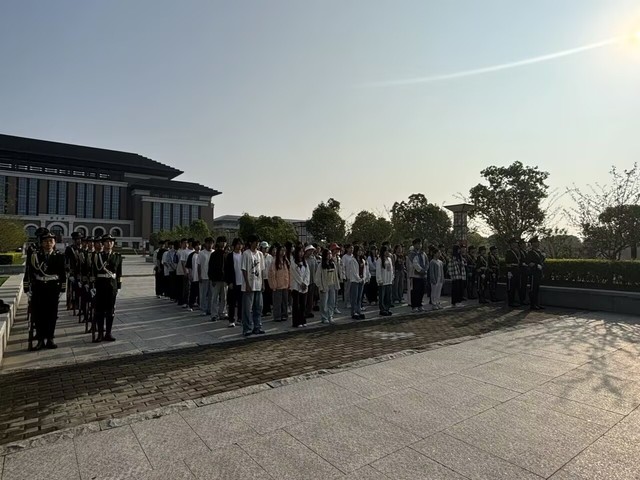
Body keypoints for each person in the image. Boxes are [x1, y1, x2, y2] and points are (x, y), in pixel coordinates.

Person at [29, 231, 66, 350]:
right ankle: (40, 340)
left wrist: (62, 289)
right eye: (45, 241)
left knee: (52, 314)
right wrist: (27, 289)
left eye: (51, 241)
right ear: (41, 243)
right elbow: (29, 272)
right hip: (39, 288)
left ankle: (50, 338)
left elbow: (62, 274)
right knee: (39, 314)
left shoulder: (59, 256)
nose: (48, 243)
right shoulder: (35, 256)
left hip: (53, 288)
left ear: (54, 243)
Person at [91, 234, 123, 343]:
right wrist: (92, 286)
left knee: (110, 311)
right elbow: (93, 272)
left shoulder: (117, 256)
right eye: (106, 242)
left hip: (111, 286)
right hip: (100, 285)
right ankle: (100, 333)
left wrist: (119, 286)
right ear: (103, 243)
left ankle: (108, 333)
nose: (109, 244)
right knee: (99, 311)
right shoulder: (97, 256)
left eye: (111, 242)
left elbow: (119, 273)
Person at [241, 234, 265, 337]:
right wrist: (247, 283)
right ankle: (247, 328)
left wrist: (263, 283)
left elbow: (262, 269)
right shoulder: (246, 253)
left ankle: (257, 326)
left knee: (258, 307)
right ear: (251, 243)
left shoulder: (260, 254)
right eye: (255, 242)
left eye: (258, 242)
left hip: (258, 283)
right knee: (247, 308)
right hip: (249, 284)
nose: (257, 244)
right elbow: (244, 269)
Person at [316, 248, 339, 324]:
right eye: (328, 254)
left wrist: (336, 285)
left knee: (331, 301)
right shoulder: (321, 265)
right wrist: (320, 286)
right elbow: (318, 277)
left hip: (332, 284)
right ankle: (324, 317)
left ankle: (330, 316)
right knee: (324, 302)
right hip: (324, 285)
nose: (329, 255)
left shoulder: (333, 264)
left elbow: (335, 276)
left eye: (330, 254)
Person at [224, 238, 244, 327]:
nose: (239, 246)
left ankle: (240, 318)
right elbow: (227, 270)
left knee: (241, 302)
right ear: (234, 245)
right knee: (232, 302)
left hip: (242, 282)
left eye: (241, 244)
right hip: (233, 282)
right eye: (238, 244)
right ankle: (231, 320)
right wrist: (229, 282)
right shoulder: (230, 256)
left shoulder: (244, 255)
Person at [268, 245, 290, 322]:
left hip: (285, 284)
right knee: (277, 302)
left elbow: (289, 273)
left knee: (285, 301)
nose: (283, 252)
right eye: (281, 250)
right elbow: (272, 274)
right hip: (277, 285)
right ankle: (277, 316)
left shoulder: (286, 261)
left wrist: (289, 283)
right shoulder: (274, 261)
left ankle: (284, 315)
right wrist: (273, 285)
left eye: (284, 250)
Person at [290, 245, 309, 327]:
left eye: (302, 252)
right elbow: (295, 274)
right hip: (296, 286)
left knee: (303, 304)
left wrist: (305, 283)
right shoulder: (293, 262)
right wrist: (301, 283)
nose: (301, 253)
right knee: (296, 305)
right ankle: (296, 322)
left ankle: (303, 320)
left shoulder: (305, 262)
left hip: (304, 286)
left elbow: (307, 274)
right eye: (300, 252)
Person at [65, 231, 84, 312]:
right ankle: (71, 303)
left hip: (81, 272)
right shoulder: (69, 249)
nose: (79, 240)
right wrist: (68, 271)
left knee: (81, 289)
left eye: (80, 239)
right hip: (73, 272)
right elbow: (66, 261)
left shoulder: (83, 248)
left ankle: (80, 303)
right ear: (74, 240)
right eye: (77, 239)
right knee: (71, 288)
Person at [525, 236, 545, 310]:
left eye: (537, 242)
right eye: (536, 242)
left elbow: (541, 261)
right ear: (533, 244)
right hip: (533, 273)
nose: (538, 243)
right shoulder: (530, 252)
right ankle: (532, 304)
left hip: (538, 272)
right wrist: (536, 265)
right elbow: (528, 262)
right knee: (533, 288)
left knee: (537, 289)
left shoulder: (539, 252)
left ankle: (537, 303)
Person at [347, 244, 366, 320]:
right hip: (355, 281)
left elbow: (364, 270)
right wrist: (359, 279)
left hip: (361, 280)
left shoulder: (362, 260)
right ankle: (354, 312)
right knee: (354, 297)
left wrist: (364, 278)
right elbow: (354, 272)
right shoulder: (352, 260)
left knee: (359, 297)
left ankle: (358, 311)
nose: (360, 252)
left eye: (361, 250)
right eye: (358, 250)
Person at [410, 239, 428, 312]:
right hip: (416, 275)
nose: (419, 245)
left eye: (420, 244)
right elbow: (415, 264)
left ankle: (420, 304)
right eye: (417, 244)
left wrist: (425, 269)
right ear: (414, 245)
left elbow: (427, 262)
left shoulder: (423, 253)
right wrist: (421, 270)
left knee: (421, 290)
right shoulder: (412, 254)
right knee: (415, 291)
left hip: (423, 276)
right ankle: (414, 306)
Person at [376, 245, 394, 316]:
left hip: (388, 281)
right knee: (382, 296)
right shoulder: (379, 260)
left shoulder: (389, 259)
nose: (387, 252)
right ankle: (382, 309)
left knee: (388, 296)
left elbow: (391, 270)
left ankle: (387, 309)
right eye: (385, 251)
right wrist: (379, 280)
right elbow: (378, 271)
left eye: (388, 251)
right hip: (383, 281)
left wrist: (392, 278)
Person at [198, 237, 214, 317]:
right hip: (204, 276)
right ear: (205, 244)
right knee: (204, 294)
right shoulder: (201, 253)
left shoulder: (214, 252)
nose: (209, 245)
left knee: (212, 294)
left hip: (212, 277)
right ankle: (203, 309)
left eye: (211, 243)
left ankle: (210, 309)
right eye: (208, 243)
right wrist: (199, 276)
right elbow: (199, 265)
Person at [505, 238, 521, 307]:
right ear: (511, 244)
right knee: (511, 287)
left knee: (515, 286)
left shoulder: (517, 252)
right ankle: (510, 302)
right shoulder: (509, 252)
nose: (515, 244)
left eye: (516, 243)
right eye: (514, 243)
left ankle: (514, 301)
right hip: (511, 271)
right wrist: (509, 271)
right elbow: (507, 263)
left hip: (516, 271)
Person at [304, 245, 319, 318]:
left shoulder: (313, 258)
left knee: (311, 297)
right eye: (310, 250)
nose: (311, 252)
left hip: (312, 280)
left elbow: (316, 269)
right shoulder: (304, 259)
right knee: (305, 297)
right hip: (305, 281)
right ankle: (304, 311)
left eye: (312, 250)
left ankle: (309, 311)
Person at [186, 240, 201, 311]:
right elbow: (189, 267)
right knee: (193, 292)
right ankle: (190, 305)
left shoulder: (202, 254)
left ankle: (200, 304)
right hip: (194, 276)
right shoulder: (191, 255)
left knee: (201, 292)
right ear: (194, 247)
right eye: (196, 245)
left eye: (199, 245)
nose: (198, 247)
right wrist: (190, 275)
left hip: (202, 277)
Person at [329, 243, 342, 315]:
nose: (336, 250)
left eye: (337, 249)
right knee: (331, 294)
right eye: (335, 249)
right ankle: (331, 307)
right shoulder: (330, 258)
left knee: (336, 293)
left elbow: (340, 268)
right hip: (331, 277)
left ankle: (335, 307)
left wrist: (341, 276)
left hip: (337, 277)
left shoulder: (338, 258)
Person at [260, 242, 273, 317]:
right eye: (264, 248)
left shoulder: (270, 257)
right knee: (262, 295)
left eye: (266, 248)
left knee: (268, 294)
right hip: (261, 278)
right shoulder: (259, 255)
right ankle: (263, 310)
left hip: (268, 278)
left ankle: (268, 309)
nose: (265, 249)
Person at [518, 238, 530, 306]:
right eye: (523, 244)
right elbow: (518, 261)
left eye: (524, 244)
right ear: (520, 245)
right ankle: (521, 299)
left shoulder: (525, 252)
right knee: (521, 286)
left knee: (524, 285)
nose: (524, 245)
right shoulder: (519, 252)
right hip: (521, 271)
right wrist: (522, 263)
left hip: (525, 270)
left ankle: (524, 299)